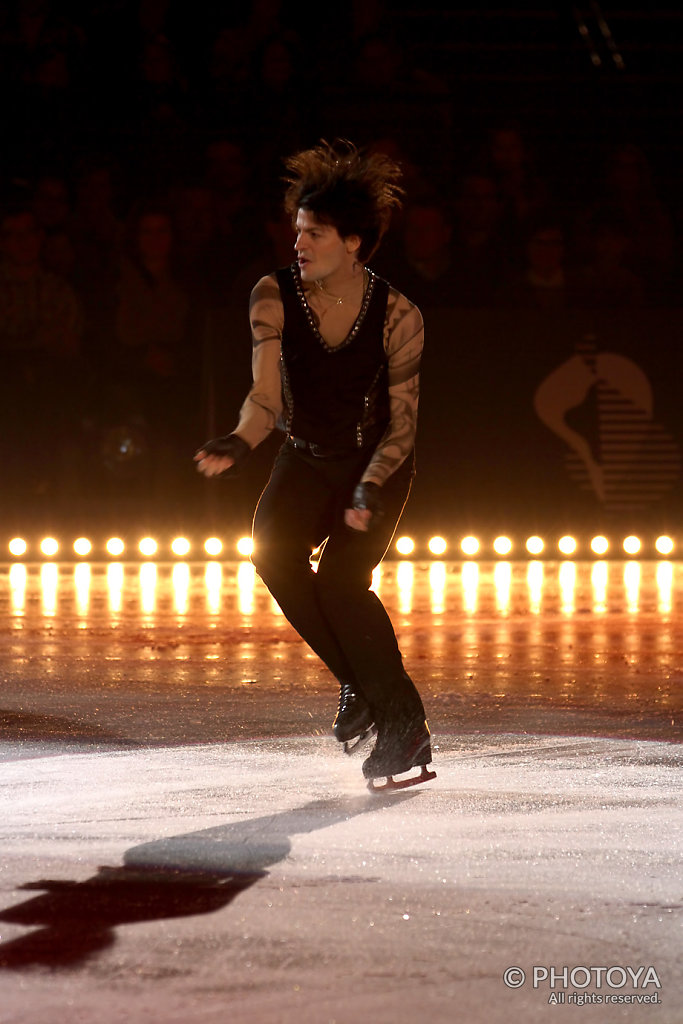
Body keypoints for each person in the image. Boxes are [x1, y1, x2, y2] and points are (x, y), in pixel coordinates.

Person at [194, 140, 434, 789]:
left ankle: (403, 724)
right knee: (270, 550)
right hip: (304, 457)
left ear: (353, 242)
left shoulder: (399, 315)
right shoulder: (271, 294)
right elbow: (263, 397)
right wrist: (240, 441)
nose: (300, 243)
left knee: (339, 585)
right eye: (298, 229)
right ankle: (364, 687)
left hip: (374, 464)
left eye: (316, 233)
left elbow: (404, 423)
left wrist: (370, 484)